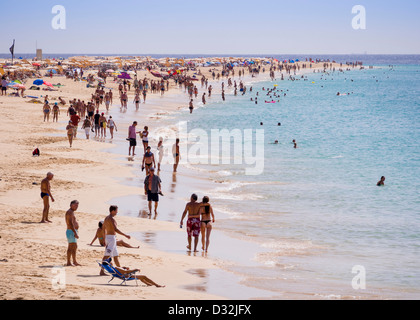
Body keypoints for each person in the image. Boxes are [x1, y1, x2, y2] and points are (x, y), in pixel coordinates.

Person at [100, 205, 131, 275]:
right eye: (116, 210)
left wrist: (104, 239)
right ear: (113, 211)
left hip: (109, 238)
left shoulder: (106, 218)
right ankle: (101, 271)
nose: (117, 212)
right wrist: (125, 235)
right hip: (111, 238)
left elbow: (103, 229)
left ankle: (120, 271)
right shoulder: (111, 219)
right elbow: (115, 229)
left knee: (116, 256)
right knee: (106, 256)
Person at [65, 200, 81, 266]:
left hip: (73, 231)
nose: (76, 207)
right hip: (71, 231)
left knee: (74, 246)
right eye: (75, 205)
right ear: (71, 205)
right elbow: (70, 223)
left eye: (77, 205)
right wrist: (75, 233)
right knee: (71, 246)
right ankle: (68, 262)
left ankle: (74, 261)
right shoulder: (69, 212)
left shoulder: (72, 212)